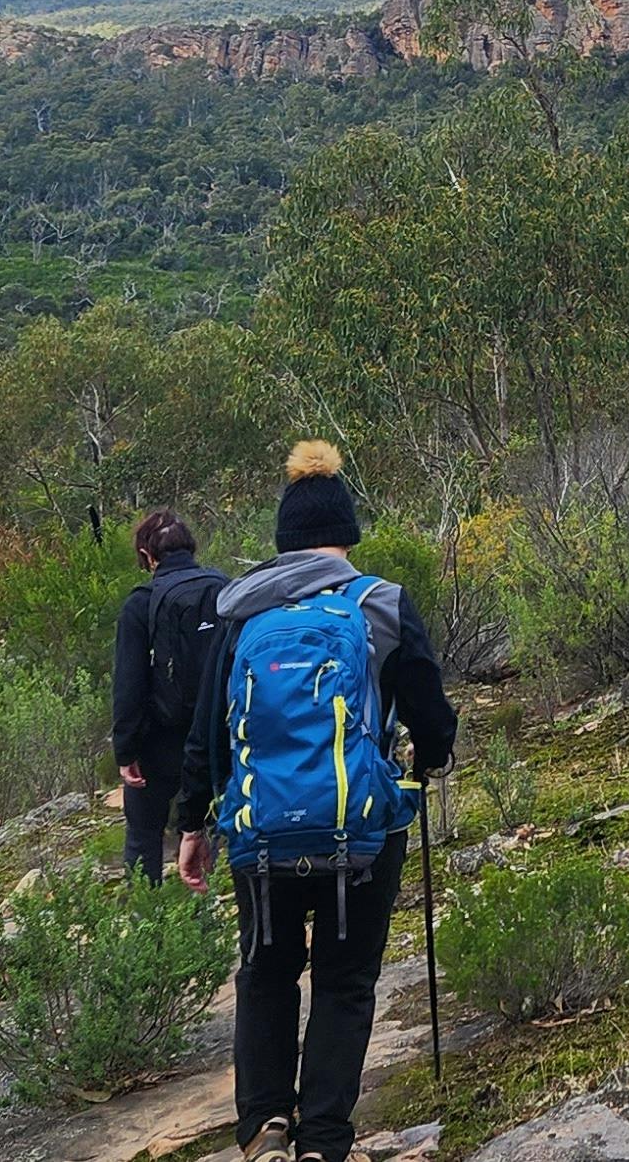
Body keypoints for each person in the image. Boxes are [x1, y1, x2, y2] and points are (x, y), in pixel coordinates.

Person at [177, 442, 457, 1162]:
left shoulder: (240, 613)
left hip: (259, 830)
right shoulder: (381, 604)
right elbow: (429, 712)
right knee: (345, 980)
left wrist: (192, 823)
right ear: (347, 536)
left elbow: (210, 727)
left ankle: (264, 1126)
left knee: (266, 973)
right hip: (358, 830)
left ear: (282, 541)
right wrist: (430, 761)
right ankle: (324, 1140)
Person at [110, 509, 226, 881]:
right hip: (216, 734)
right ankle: (211, 908)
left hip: (159, 740)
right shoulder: (226, 589)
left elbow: (129, 683)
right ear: (191, 548)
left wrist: (126, 750)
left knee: (144, 831)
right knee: (216, 821)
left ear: (147, 556)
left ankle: (150, 920)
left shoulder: (141, 602)